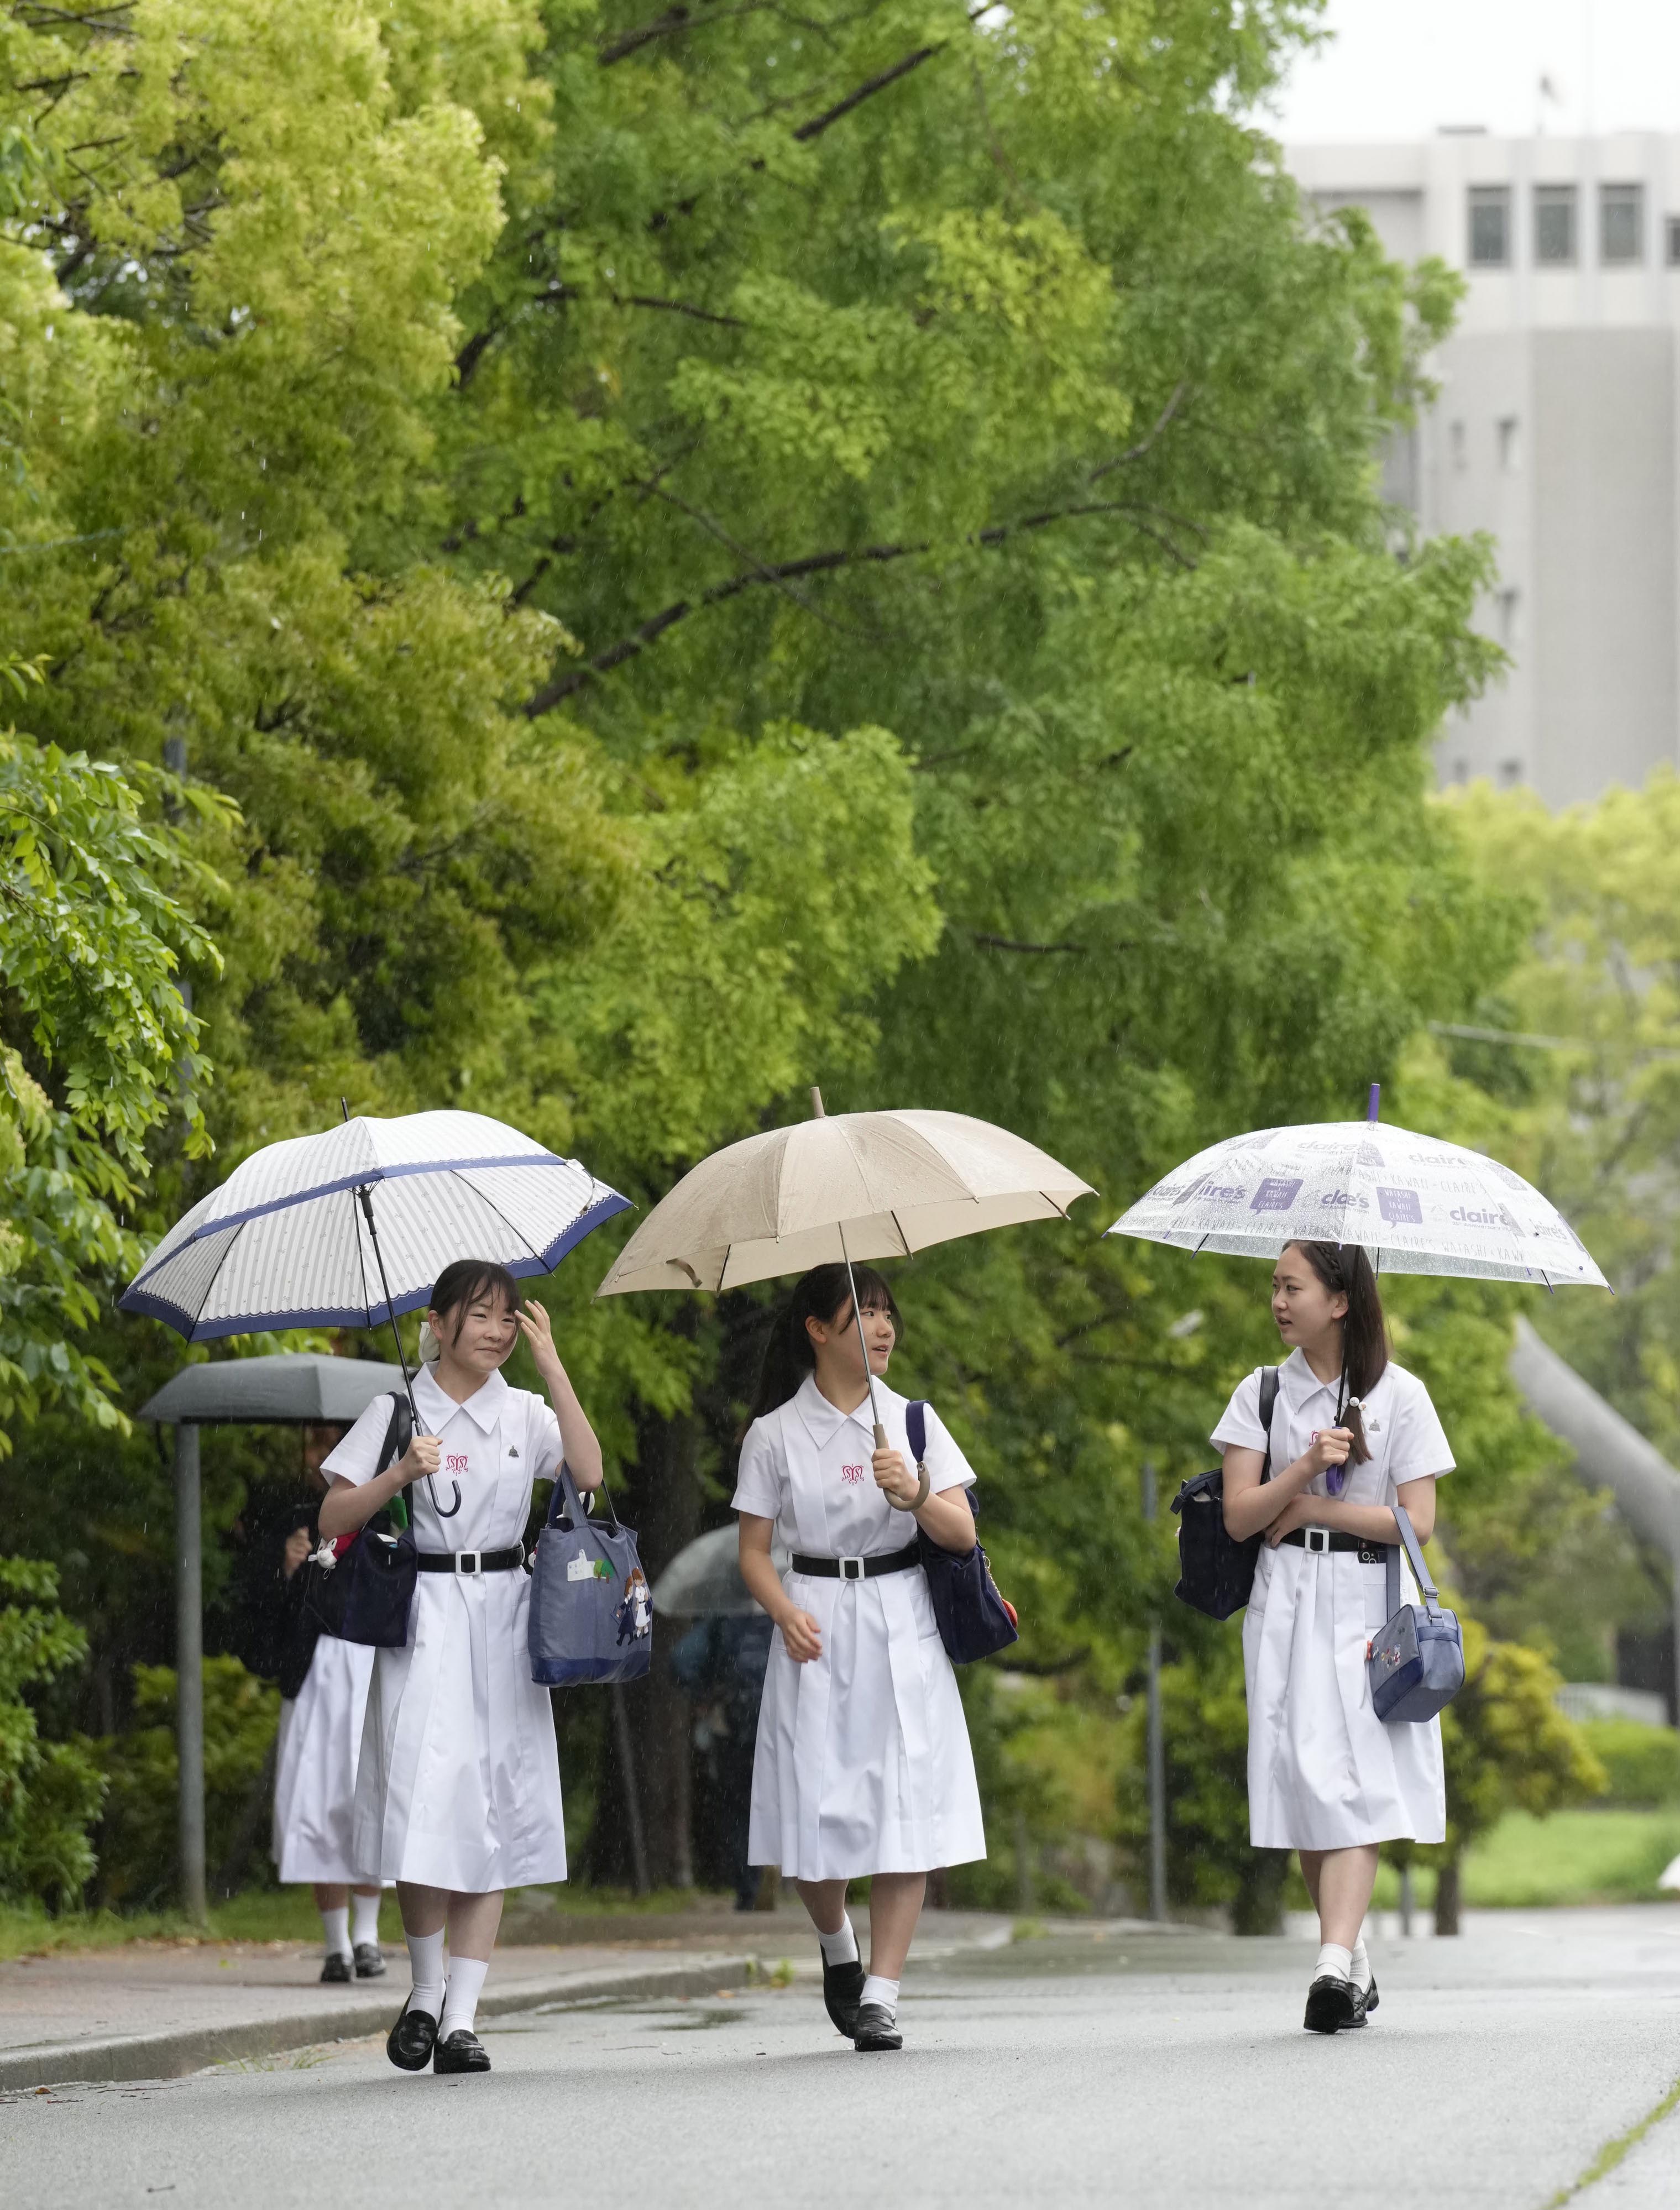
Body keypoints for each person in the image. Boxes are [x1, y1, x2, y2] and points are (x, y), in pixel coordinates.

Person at [317, 1259, 603, 2077]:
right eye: (477, 1314)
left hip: (508, 1616)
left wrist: (553, 1368)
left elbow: (587, 1474)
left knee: (494, 1808)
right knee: (421, 1805)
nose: (496, 1329)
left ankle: (462, 2020)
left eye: (508, 1316)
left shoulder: (525, 1409)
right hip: (423, 1617)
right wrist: (401, 1472)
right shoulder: (397, 1406)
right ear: (435, 1323)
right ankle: (423, 1989)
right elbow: (333, 1513)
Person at [734, 1263, 985, 2053]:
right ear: (817, 1329)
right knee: (814, 1813)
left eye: (886, 1314)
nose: (882, 1328)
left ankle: (881, 1991)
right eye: (863, 1313)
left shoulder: (912, 1420)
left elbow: (962, 1534)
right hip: (815, 1621)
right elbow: (752, 1549)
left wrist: (914, 1495)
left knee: (900, 1807)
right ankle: (836, 1942)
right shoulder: (773, 1432)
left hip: (898, 1617)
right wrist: (782, 1610)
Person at [1215, 1239, 1454, 2035]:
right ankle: (1348, 1959)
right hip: (1282, 1598)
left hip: (1362, 1600)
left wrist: (1321, 1506)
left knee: (1350, 1778)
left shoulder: (1400, 1394)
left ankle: (1327, 1960)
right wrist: (1301, 1471)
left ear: (1339, 1299)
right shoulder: (1258, 1392)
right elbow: (1240, 1514)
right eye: (1274, 1287)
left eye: (1292, 1286)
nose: (1278, 1301)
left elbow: (1415, 1522)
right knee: (1303, 1776)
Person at [270, 1424, 386, 1982]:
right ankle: (336, 1944)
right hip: (317, 1675)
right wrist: (291, 1571)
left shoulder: (389, 1516)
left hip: (368, 1666)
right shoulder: (300, 1519)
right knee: (318, 1799)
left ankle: (368, 1935)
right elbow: (271, 1617)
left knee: (368, 1796)